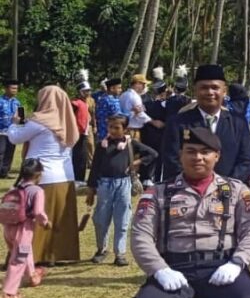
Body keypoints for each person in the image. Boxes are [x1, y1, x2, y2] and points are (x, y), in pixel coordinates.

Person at [129, 127, 250, 298]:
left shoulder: (236, 190)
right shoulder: (159, 192)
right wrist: (159, 270)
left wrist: (237, 262)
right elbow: (141, 236)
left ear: (216, 156)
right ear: (180, 155)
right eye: (191, 151)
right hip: (175, 269)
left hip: (221, 267)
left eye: (205, 152)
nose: (198, 157)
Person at [7, 86, 80, 265]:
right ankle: (57, 254)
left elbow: (14, 138)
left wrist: (15, 122)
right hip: (65, 176)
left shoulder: (38, 122)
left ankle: (36, 255)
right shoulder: (67, 121)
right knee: (59, 217)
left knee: (37, 217)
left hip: (41, 176)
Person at [162, 65, 250, 183]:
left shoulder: (238, 123)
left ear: (224, 91)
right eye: (204, 87)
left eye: (215, 87)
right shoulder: (177, 122)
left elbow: (245, 160)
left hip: (228, 193)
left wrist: (226, 186)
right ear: (195, 90)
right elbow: (171, 159)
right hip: (187, 192)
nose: (210, 92)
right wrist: (194, 186)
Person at [87, 115, 157, 267]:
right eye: (110, 127)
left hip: (123, 184)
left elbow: (153, 154)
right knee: (101, 219)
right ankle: (101, 249)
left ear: (125, 129)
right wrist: (91, 190)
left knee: (122, 219)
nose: (112, 130)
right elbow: (94, 168)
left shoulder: (130, 144)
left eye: (116, 128)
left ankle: (120, 253)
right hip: (104, 184)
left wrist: (136, 162)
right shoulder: (102, 145)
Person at [2, 158, 50, 298]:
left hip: (8, 228)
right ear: (38, 174)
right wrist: (45, 222)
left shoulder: (14, 188)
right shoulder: (37, 191)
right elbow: (38, 212)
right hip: (23, 229)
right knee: (18, 259)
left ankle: (32, 276)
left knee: (24, 252)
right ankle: (8, 292)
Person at [70, 81, 95, 185]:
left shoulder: (86, 103)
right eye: (85, 91)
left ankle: (81, 177)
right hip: (77, 133)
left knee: (83, 157)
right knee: (77, 156)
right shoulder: (74, 103)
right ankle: (76, 178)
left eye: (88, 91)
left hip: (84, 133)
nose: (87, 93)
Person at [0, 79, 22, 177]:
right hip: (1, 131)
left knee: (10, 152)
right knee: (1, 152)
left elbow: (21, 118)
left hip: (13, 131)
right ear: (6, 89)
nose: (14, 90)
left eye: (16, 89)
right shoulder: (0, 101)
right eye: (12, 88)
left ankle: (5, 172)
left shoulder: (17, 102)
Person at [94, 78, 124, 146]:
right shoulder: (108, 100)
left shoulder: (112, 98)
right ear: (112, 88)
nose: (121, 90)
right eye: (119, 88)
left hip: (109, 132)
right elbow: (117, 117)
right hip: (108, 133)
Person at [121, 74, 152, 139]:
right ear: (137, 84)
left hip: (124, 128)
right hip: (132, 130)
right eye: (143, 84)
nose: (144, 87)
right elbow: (140, 113)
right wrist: (152, 121)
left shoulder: (123, 95)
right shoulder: (135, 97)